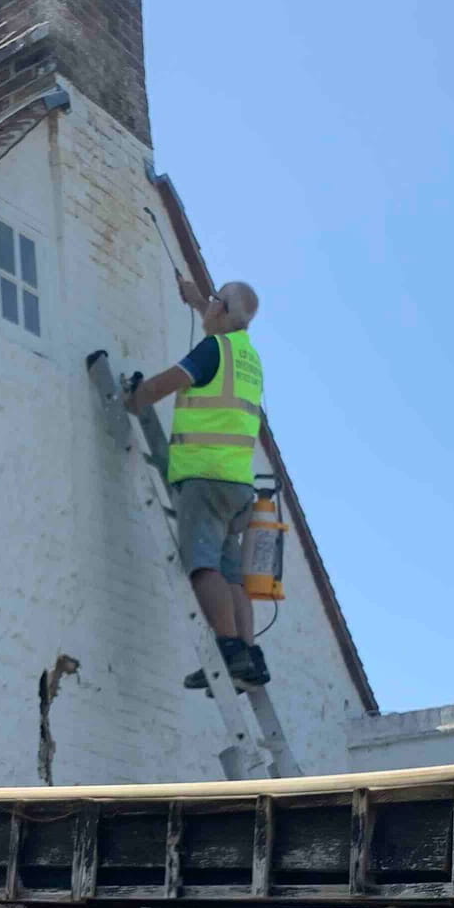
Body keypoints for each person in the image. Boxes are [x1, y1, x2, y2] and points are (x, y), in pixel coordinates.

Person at [125, 274, 268, 691]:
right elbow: (226, 324)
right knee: (231, 577)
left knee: (202, 567)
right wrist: (197, 302)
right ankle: (248, 655)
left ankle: (228, 650)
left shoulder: (212, 349)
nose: (209, 304)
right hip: (237, 485)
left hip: (204, 481)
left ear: (221, 308)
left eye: (214, 300)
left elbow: (167, 383)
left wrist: (133, 398)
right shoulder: (248, 356)